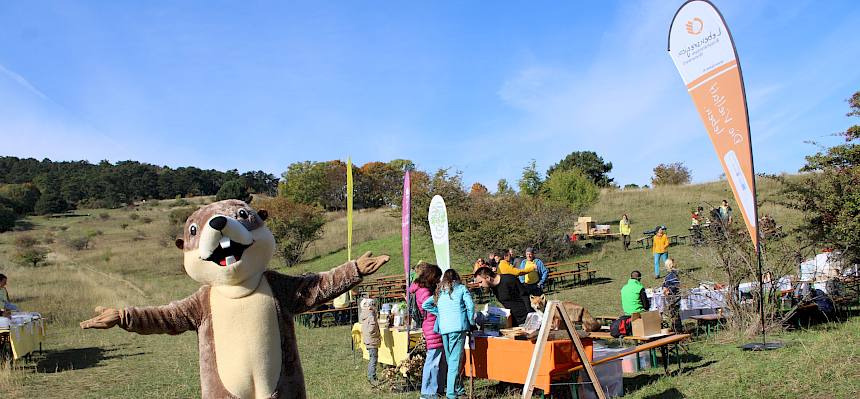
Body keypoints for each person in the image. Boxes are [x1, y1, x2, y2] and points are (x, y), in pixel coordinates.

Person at [422, 269, 475, 399]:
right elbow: (471, 306)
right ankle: (451, 394)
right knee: (454, 362)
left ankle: (459, 388)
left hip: (444, 329)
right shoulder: (461, 288)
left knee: (451, 361)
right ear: (457, 277)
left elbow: (426, 304)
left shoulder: (440, 291)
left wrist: (439, 312)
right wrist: (471, 321)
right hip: (458, 328)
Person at [409, 263, 445, 399]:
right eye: (437, 277)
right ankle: (428, 392)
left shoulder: (421, 289)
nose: (438, 280)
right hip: (432, 327)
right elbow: (428, 307)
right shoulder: (424, 291)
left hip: (431, 326)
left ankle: (436, 389)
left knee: (437, 360)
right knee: (433, 361)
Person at [359, 298, 381, 383]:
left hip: (367, 339)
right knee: (373, 359)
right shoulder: (371, 314)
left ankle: (370, 375)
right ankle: (372, 376)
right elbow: (372, 326)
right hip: (372, 339)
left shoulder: (364, 314)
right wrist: (375, 333)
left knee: (372, 358)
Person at [662, 259, 682, 333]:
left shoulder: (672, 275)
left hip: (673, 297)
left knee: (674, 313)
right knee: (673, 313)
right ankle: (675, 329)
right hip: (672, 296)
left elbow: (675, 285)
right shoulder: (671, 274)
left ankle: (678, 330)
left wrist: (668, 290)